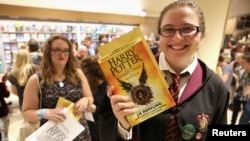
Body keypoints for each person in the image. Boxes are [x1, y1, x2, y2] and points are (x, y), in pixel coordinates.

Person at [98, 0, 229, 141]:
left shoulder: (216, 88)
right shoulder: (126, 75)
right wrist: (123, 125)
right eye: (168, 29)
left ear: (201, 35)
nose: (177, 37)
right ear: (159, 35)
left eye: (187, 29)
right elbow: (104, 130)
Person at [22, 35, 94, 141]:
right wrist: (45, 113)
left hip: (80, 133)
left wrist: (85, 100)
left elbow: (89, 97)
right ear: (48, 52)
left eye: (66, 50)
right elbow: (26, 113)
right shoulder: (36, 79)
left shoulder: (77, 74)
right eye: (57, 50)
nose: (62, 54)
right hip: (53, 135)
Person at [80, 55, 109, 141]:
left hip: (103, 129)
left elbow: (111, 112)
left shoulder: (109, 87)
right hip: (91, 126)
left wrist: (97, 109)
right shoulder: (88, 87)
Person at [0, 73, 10, 141]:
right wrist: (4, 83)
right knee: (4, 135)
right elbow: (7, 94)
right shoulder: (1, 84)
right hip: (2, 112)